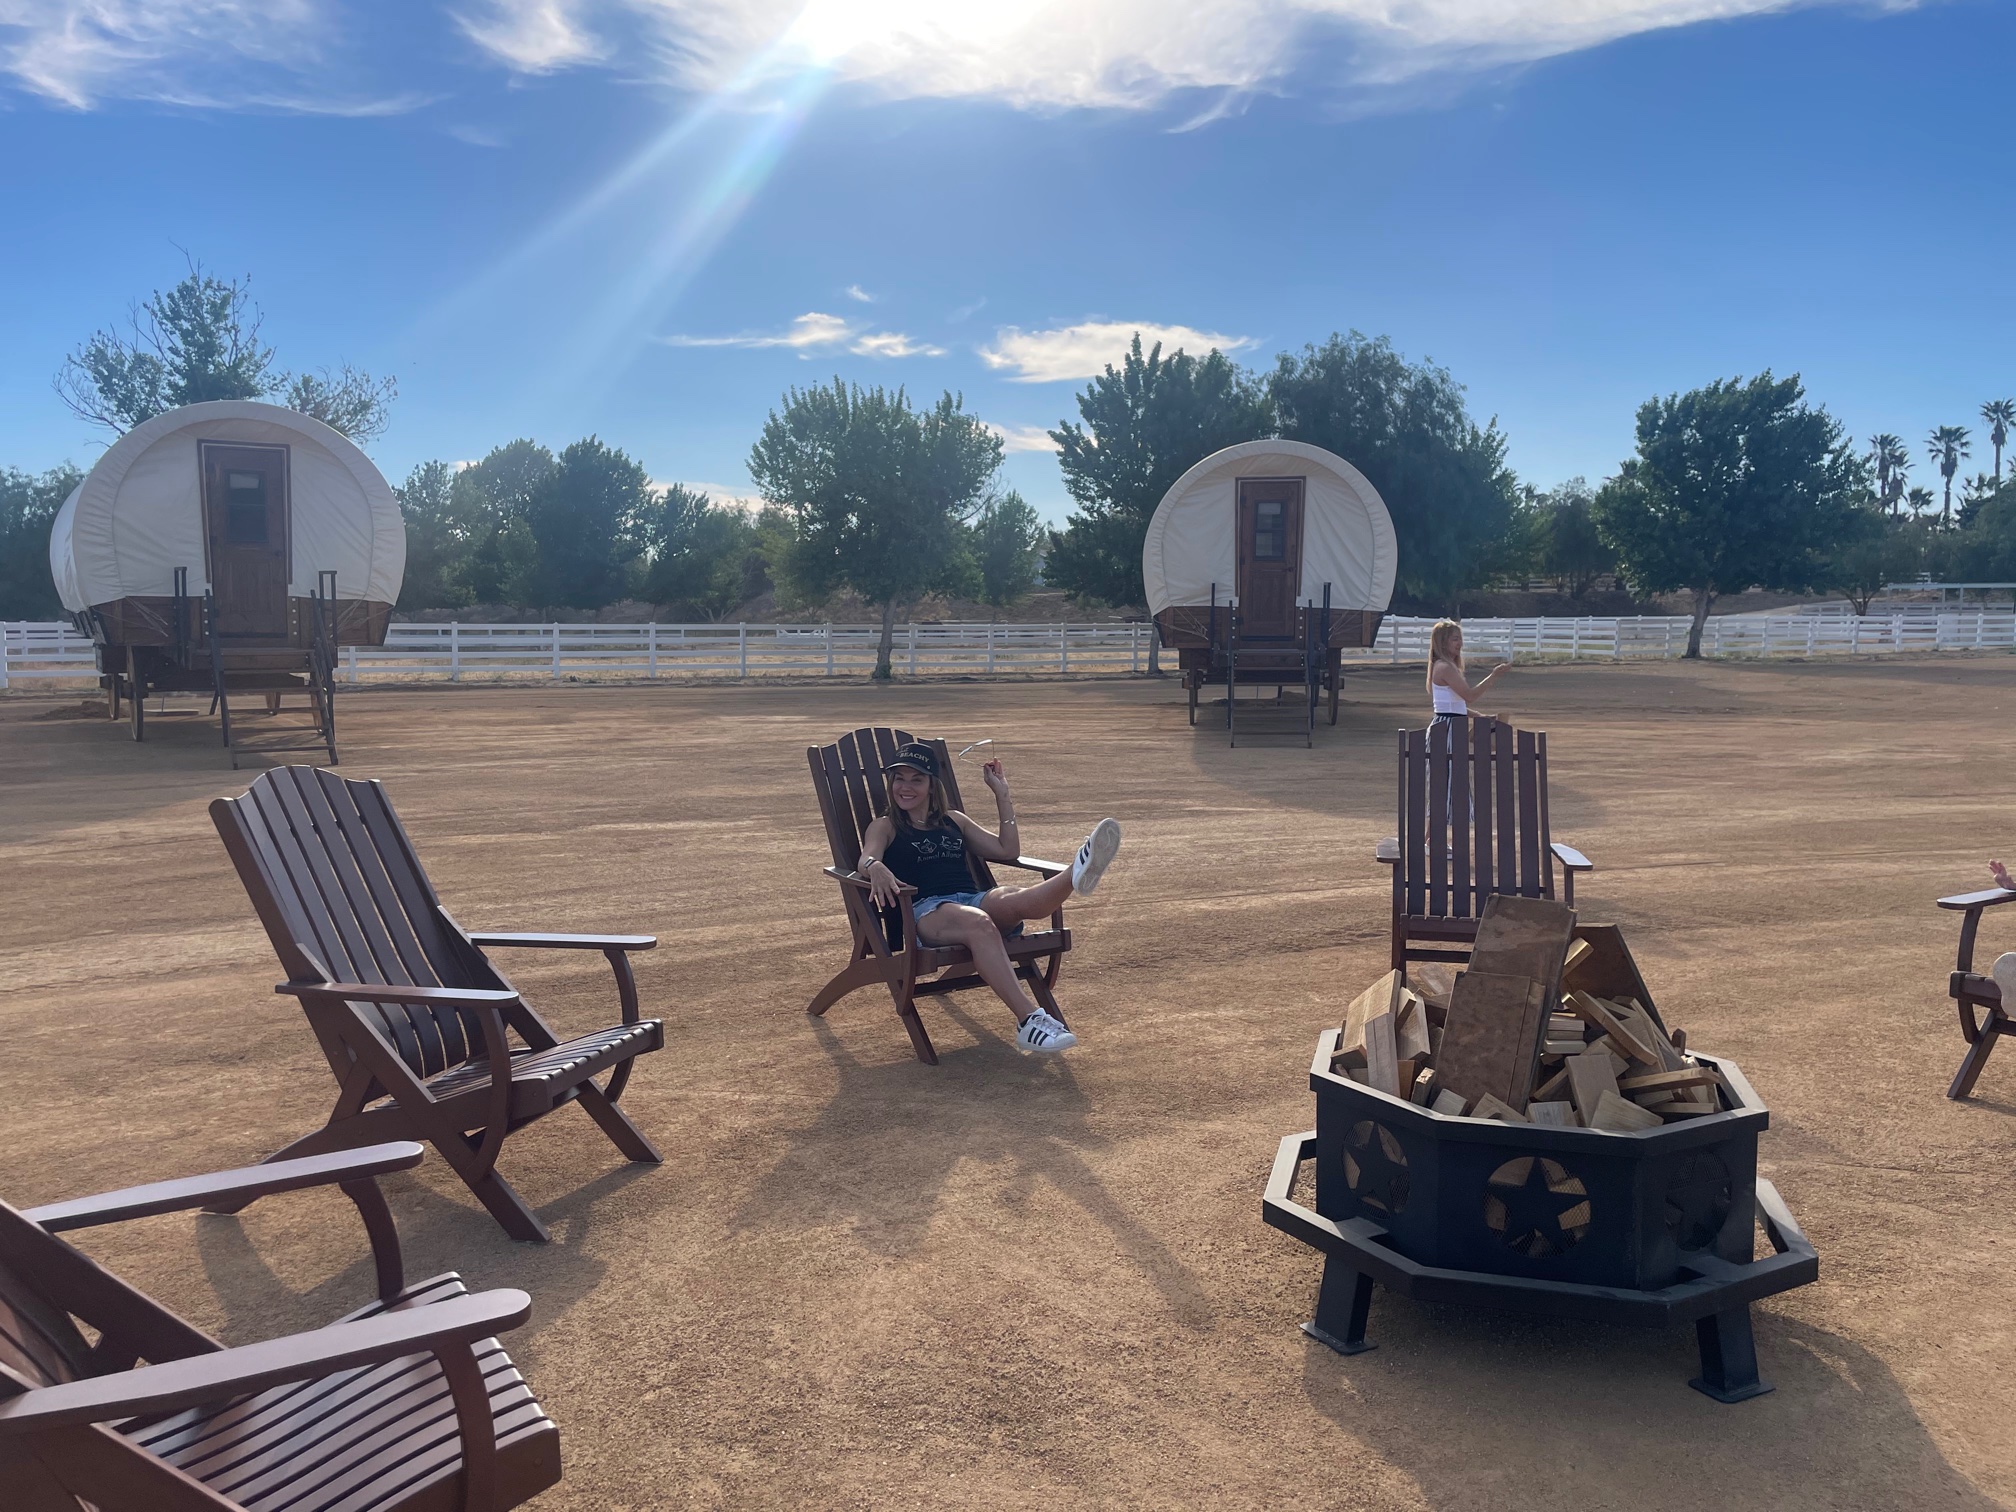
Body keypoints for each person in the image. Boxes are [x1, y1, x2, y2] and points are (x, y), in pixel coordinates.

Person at [856, 742, 1121, 1055]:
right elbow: (866, 859)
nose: (905, 787)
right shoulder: (885, 825)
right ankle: (1029, 1020)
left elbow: (1007, 850)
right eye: (899, 778)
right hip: (926, 911)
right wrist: (875, 867)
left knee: (1011, 897)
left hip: (972, 899)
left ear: (931, 785)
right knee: (978, 922)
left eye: (916, 779)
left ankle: (1074, 873)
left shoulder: (954, 820)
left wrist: (1002, 794)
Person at [1427, 619, 1509, 730]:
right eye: (1455, 639)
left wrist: (1478, 716)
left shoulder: (1446, 666)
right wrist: (1494, 675)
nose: (1460, 643)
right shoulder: (1445, 667)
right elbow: (1470, 696)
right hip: (1448, 725)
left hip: (1451, 722)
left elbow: (1453, 706)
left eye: (1460, 639)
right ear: (1443, 643)